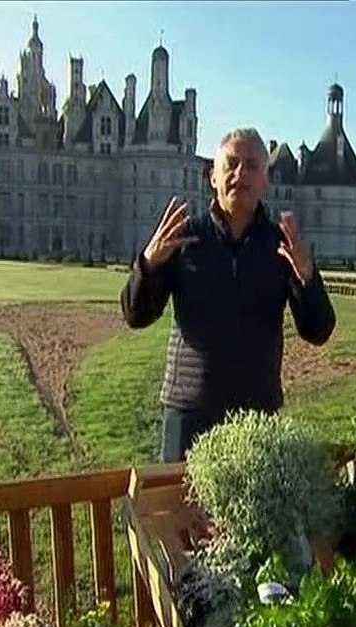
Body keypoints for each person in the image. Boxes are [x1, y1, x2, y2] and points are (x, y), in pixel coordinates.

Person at [120, 127, 337, 462]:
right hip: (189, 414)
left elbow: (318, 331)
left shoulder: (282, 247)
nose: (240, 174)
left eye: (251, 166)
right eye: (231, 164)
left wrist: (308, 278)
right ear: (213, 177)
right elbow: (136, 316)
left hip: (256, 416)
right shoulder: (183, 239)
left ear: (265, 181)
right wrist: (148, 264)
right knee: (181, 498)